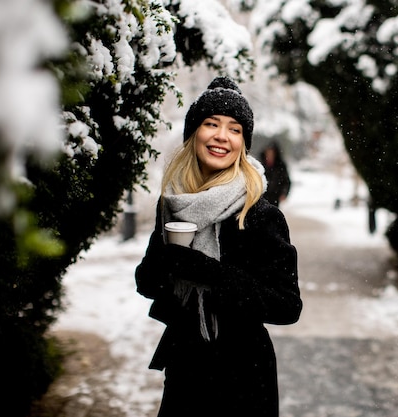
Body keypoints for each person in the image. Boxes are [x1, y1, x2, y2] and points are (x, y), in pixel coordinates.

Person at [134, 76, 302, 417]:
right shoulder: (173, 204)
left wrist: (208, 272)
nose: (222, 136)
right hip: (185, 368)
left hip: (244, 376)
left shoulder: (260, 214)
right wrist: (165, 261)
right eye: (211, 124)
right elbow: (149, 284)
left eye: (234, 129)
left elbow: (287, 305)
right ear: (194, 133)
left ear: (243, 142)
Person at [259, 141, 291, 207]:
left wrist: (284, 194)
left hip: (275, 197)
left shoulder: (281, 166)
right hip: (262, 198)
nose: (270, 155)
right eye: (268, 152)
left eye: (272, 153)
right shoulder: (260, 165)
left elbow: (286, 181)